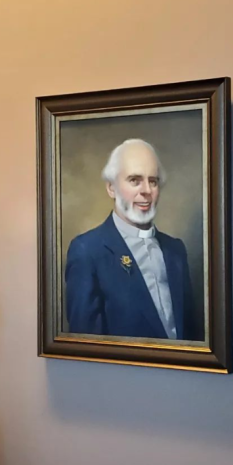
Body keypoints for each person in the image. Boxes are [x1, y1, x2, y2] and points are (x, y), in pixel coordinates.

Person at [65, 138, 201, 341]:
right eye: (134, 180)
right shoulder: (87, 251)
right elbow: (87, 349)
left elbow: (192, 333)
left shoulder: (175, 250)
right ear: (111, 188)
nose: (146, 190)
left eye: (153, 181)